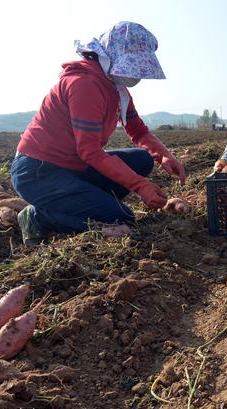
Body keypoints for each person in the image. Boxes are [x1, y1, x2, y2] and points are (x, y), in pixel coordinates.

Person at [10, 21, 186, 246]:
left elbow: (137, 129)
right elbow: (90, 151)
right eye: (132, 67)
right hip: (38, 174)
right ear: (110, 57)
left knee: (142, 159)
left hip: (73, 167)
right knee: (121, 218)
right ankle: (39, 217)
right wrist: (141, 186)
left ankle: (88, 202)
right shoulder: (85, 85)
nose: (136, 76)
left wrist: (164, 156)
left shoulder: (116, 89)